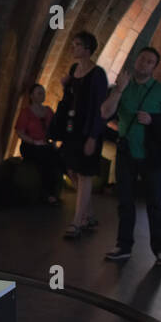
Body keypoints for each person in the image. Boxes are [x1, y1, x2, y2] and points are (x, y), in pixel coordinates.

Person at [100, 46, 161, 265]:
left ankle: (160, 250)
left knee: (155, 203)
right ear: (136, 61)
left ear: (154, 67)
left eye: (150, 61)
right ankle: (123, 246)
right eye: (142, 59)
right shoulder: (123, 87)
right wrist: (118, 90)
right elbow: (105, 113)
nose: (144, 63)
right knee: (125, 201)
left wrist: (154, 121)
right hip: (126, 151)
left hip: (152, 155)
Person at [55, 31, 110, 238]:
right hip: (72, 128)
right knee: (71, 169)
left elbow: (100, 107)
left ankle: (77, 221)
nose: (72, 48)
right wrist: (65, 86)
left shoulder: (97, 74)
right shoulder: (73, 69)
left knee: (85, 173)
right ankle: (89, 214)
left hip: (87, 130)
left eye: (76, 44)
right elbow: (70, 98)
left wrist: (93, 136)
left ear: (87, 49)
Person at [14, 84, 62, 205]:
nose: (42, 95)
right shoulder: (26, 112)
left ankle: (54, 191)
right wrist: (34, 141)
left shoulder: (48, 111)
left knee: (56, 156)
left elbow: (54, 129)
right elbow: (20, 132)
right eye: (39, 93)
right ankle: (47, 193)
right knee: (44, 158)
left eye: (43, 92)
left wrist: (54, 143)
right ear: (32, 96)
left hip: (45, 145)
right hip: (30, 145)